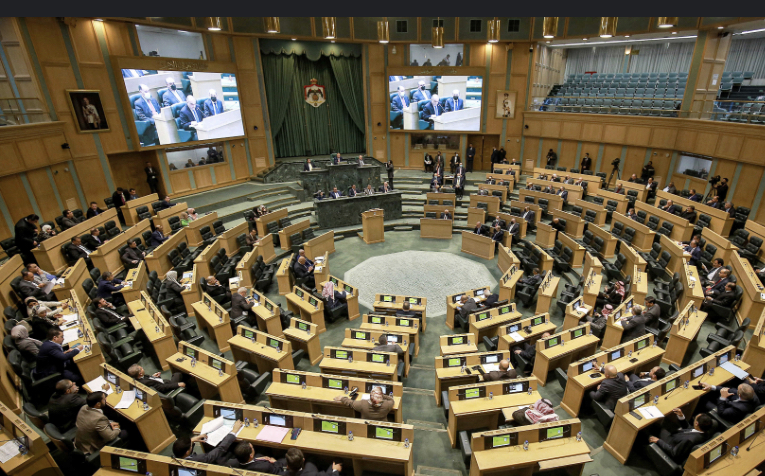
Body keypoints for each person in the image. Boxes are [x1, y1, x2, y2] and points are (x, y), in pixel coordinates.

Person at [648, 409, 713, 464]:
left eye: (695, 419)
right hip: (677, 437)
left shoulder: (689, 440)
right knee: (660, 424)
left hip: (671, 444)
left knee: (651, 429)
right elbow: (690, 429)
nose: (694, 419)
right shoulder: (705, 431)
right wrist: (681, 416)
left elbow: (674, 453)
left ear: (696, 423)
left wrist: (658, 441)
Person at [172, 420, 242, 464]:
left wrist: (192, 440)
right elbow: (220, 449)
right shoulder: (199, 459)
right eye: (190, 445)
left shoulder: (176, 457)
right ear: (187, 452)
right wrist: (234, 431)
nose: (191, 443)